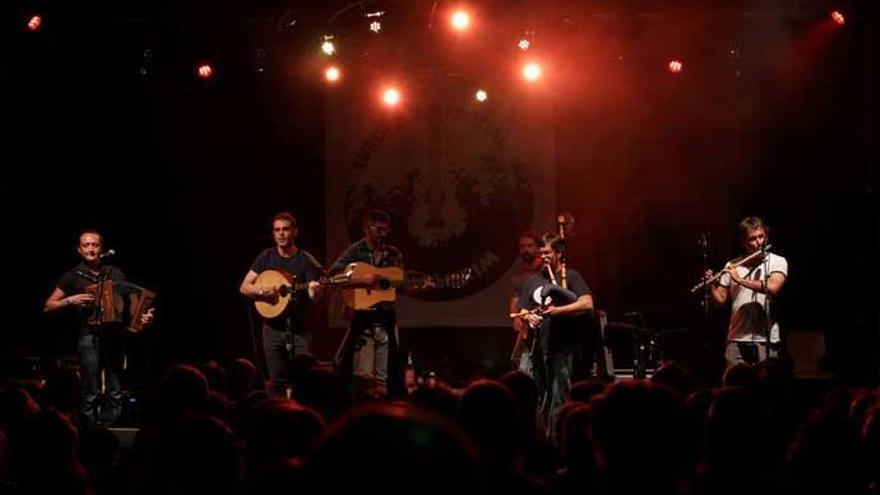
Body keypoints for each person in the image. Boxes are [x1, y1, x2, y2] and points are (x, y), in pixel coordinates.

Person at [44, 229, 154, 428]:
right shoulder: (72, 276)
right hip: (88, 336)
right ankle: (90, 429)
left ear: (101, 248)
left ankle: (110, 428)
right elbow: (49, 305)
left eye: (95, 245)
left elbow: (132, 303)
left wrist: (143, 317)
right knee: (90, 387)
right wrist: (70, 300)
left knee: (115, 387)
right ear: (79, 249)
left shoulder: (114, 273)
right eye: (86, 245)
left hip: (114, 336)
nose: (91, 249)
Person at [518, 233, 593, 440]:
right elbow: (523, 310)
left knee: (558, 402)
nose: (544, 256)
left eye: (548, 252)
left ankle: (555, 446)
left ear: (559, 253)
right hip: (533, 349)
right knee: (528, 398)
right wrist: (528, 317)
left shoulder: (571, 276)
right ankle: (531, 442)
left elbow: (587, 304)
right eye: (541, 253)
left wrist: (559, 311)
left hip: (560, 349)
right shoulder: (533, 281)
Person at [240, 212, 323, 396]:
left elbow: (315, 297)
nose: (281, 234)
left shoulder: (305, 260)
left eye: (285, 229)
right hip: (271, 328)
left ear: (295, 232)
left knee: (305, 379)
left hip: (299, 329)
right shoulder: (265, 257)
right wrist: (263, 291)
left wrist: (314, 290)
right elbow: (244, 288)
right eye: (277, 230)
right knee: (277, 382)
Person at [329, 209, 404, 398]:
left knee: (384, 376)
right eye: (378, 229)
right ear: (366, 229)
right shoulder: (356, 250)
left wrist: (419, 285)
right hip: (363, 317)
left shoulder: (394, 254)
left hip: (386, 316)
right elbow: (332, 275)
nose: (382, 234)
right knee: (363, 376)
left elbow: (398, 284)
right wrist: (362, 281)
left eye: (385, 230)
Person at [705, 216, 788, 366]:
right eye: (752, 239)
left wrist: (740, 280)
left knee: (766, 385)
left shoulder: (777, 261)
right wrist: (710, 285)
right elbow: (720, 301)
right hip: (737, 337)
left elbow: (773, 287)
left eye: (761, 236)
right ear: (743, 242)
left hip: (766, 338)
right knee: (736, 385)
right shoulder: (732, 265)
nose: (759, 242)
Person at [509, 231, 544, 375]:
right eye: (522, 246)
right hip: (529, 328)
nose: (526, 250)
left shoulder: (549, 271)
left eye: (530, 245)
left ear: (538, 248)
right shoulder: (518, 278)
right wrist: (516, 317)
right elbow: (514, 303)